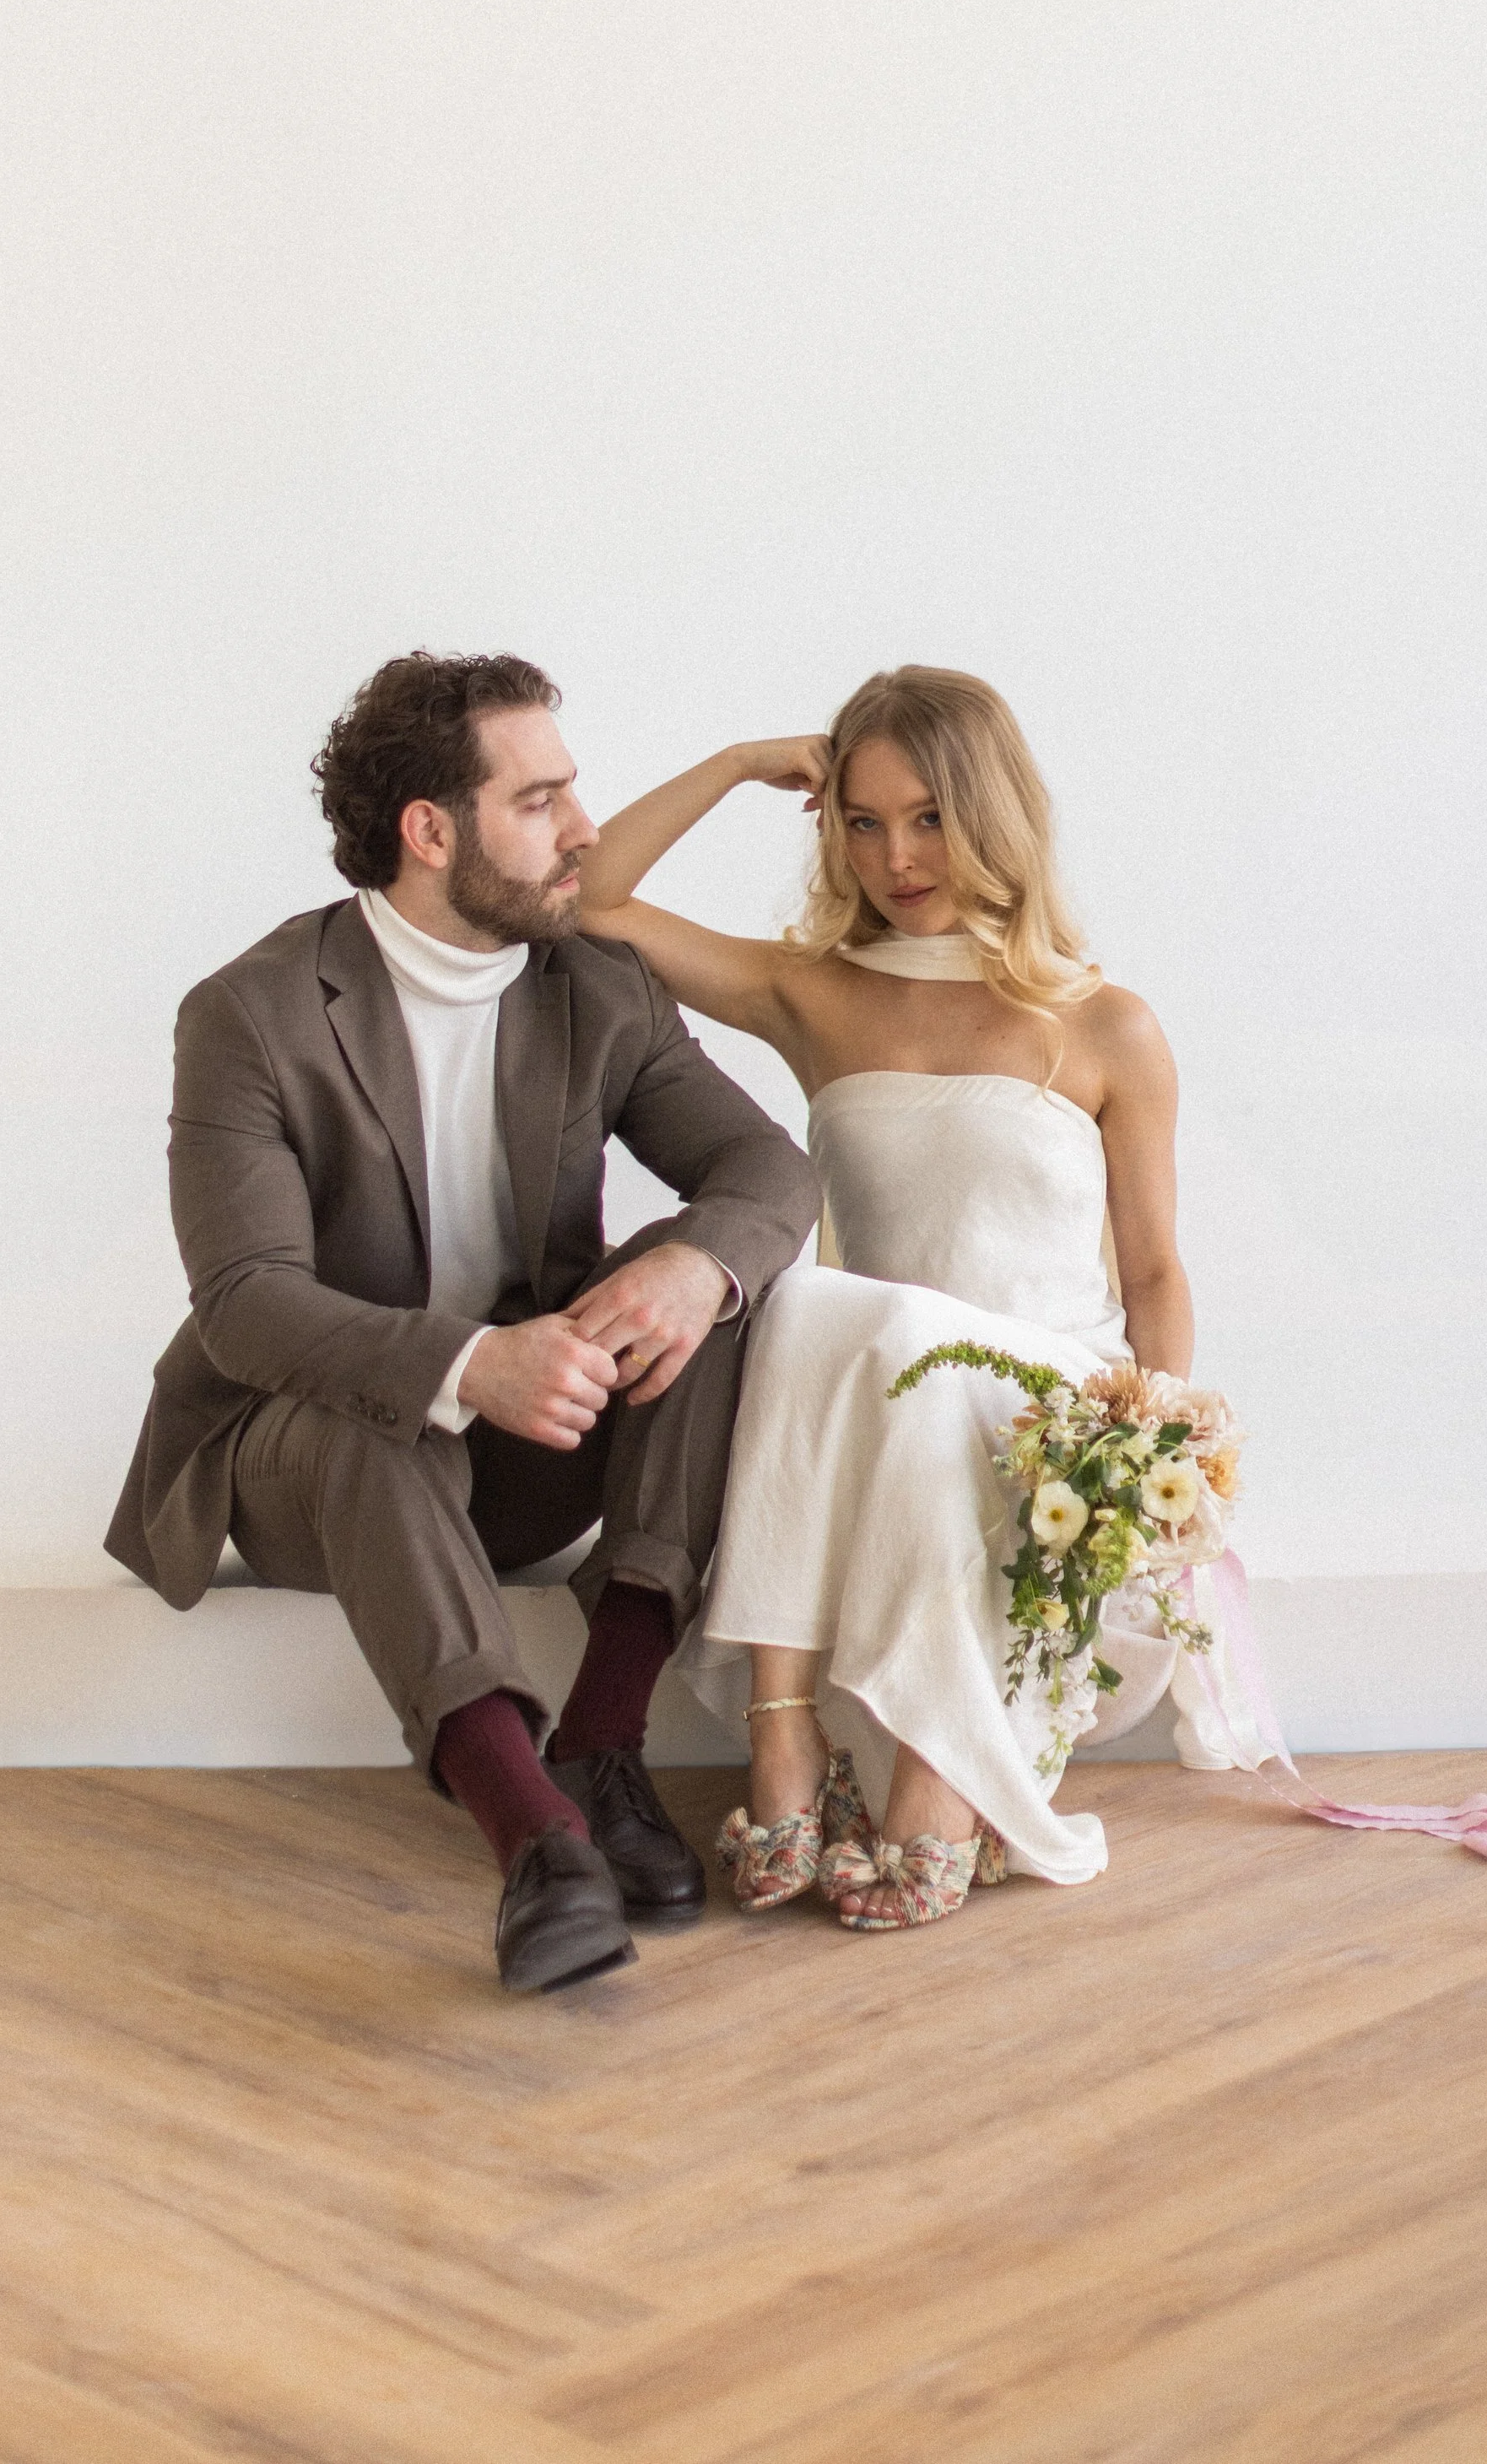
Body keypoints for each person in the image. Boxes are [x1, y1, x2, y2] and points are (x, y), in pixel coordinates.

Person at [105, 652, 822, 1991]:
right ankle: (535, 1841)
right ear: (430, 832)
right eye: (539, 802)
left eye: (572, 793)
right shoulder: (254, 1015)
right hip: (307, 1471)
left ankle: (601, 1745)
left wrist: (691, 1271)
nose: (585, 831)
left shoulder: (595, 985)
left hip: (527, 1451)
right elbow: (248, 1303)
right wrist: (470, 1363)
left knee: (709, 1279)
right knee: (366, 1415)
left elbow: (768, 1171)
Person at [575, 664, 1276, 1932]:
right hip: (864, 1400)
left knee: (873, 1322)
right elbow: (586, 901)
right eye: (863, 820)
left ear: (993, 815)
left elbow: (1154, 1270)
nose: (896, 857)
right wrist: (735, 763)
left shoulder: (1105, 1026)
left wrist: (1156, 1440)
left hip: (1043, 1408)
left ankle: (933, 1773)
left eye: (930, 818)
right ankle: (786, 1732)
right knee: (808, 1300)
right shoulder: (816, 992)